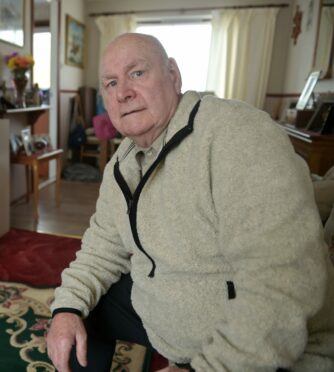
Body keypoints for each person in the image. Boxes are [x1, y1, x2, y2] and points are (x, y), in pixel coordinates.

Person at [46, 33, 334, 372]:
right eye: (111, 83)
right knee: (81, 314)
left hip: (253, 351)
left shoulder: (237, 135)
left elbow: (283, 286)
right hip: (165, 317)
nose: (123, 92)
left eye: (137, 73)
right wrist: (66, 309)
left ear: (174, 75)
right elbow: (101, 248)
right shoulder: (120, 165)